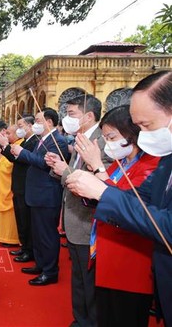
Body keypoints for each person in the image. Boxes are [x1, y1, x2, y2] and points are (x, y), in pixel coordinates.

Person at [66, 70, 172, 326]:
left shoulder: (154, 160)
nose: (144, 134)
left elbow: (164, 223)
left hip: (134, 265)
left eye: (146, 125)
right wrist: (92, 191)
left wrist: (100, 185)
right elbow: (137, 200)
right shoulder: (167, 159)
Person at [75, 105, 159, 327]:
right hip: (106, 255)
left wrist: (96, 168)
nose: (108, 144)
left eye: (111, 137)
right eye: (105, 138)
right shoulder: (119, 165)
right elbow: (99, 196)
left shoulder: (151, 165)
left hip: (130, 261)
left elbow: (128, 205)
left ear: (132, 133)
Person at [46, 94, 112, 327]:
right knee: (78, 278)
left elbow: (95, 184)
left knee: (89, 280)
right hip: (74, 220)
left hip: (88, 223)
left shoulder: (101, 142)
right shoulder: (82, 138)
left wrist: (64, 170)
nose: (67, 118)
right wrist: (58, 167)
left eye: (71, 114)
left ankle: (90, 321)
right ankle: (80, 319)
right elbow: (71, 175)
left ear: (89, 115)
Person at [10, 108, 69, 286]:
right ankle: (41, 264)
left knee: (47, 234)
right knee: (38, 233)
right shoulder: (43, 139)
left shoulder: (57, 141)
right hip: (36, 194)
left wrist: (22, 153)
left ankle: (50, 271)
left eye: (37, 120)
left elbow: (45, 163)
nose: (35, 124)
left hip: (47, 195)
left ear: (49, 122)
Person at [0, 115, 36, 262]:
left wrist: (6, 146)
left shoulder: (34, 142)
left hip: (26, 186)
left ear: (30, 126)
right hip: (18, 186)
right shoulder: (26, 141)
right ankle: (24, 246)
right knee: (21, 219)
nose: (19, 129)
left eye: (20, 126)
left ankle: (29, 249)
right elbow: (15, 158)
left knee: (26, 221)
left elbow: (21, 159)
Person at [0, 124, 20, 247]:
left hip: (10, 186)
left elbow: (10, 166)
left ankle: (11, 238)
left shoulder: (18, 145)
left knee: (10, 212)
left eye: (9, 133)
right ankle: (2, 235)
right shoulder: (12, 146)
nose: (7, 135)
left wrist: (0, 157)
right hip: (3, 186)